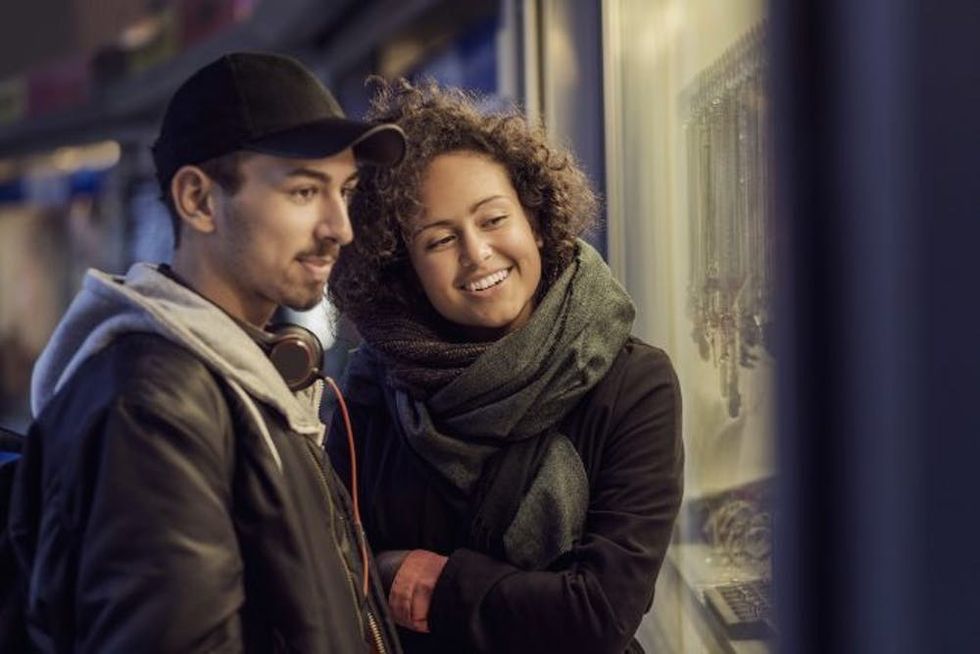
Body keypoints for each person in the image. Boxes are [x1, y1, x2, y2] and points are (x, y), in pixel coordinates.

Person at [7, 52, 407, 653]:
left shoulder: (241, 382)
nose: (340, 227)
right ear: (197, 200)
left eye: (344, 192)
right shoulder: (155, 410)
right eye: (304, 191)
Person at [327, 79, 685, 654]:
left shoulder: (633, 384)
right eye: (440, 240)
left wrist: (430, 583)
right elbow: (337, 573)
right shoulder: (373, 385)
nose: (477, 253)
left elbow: (600, 615)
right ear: (403, 269)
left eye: (493, 220)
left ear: (536, 220)